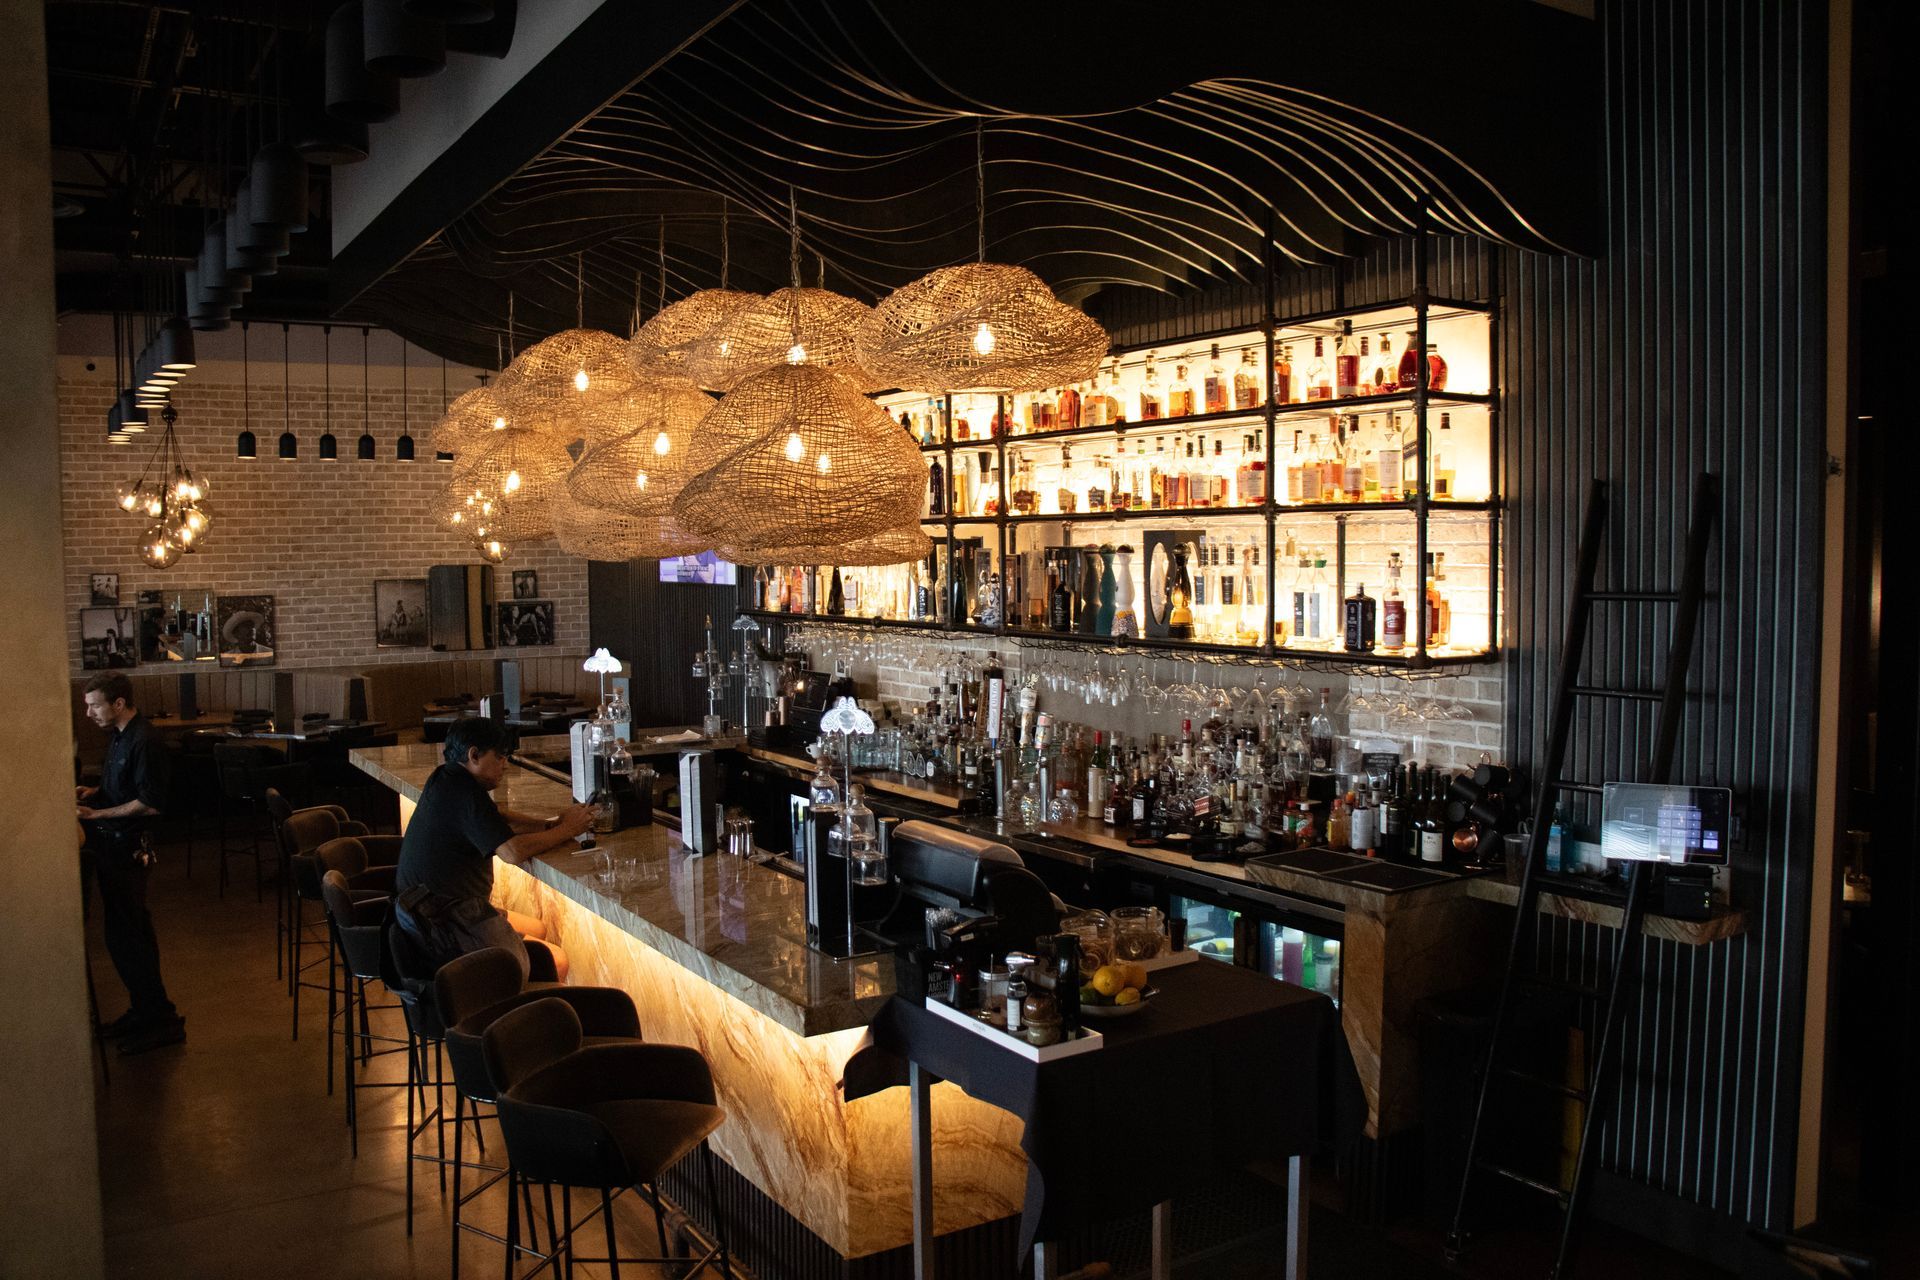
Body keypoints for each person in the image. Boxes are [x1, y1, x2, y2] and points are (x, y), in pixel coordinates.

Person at [395, 717, 590, 981]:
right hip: (442, 924)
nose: (505, 765)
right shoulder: (463, 790)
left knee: (537, 928)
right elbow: (511, 852)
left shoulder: (447, 777)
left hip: (422, 912)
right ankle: (514, 1011)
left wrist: (549, 825)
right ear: (474, 755)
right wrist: (566, 830)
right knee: (556, 960)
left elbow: (496, 818)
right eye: (499, 757)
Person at [76, 672, 186, 1055]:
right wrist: (95, 793)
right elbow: (123, 787)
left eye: (94, 705)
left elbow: (150, 801)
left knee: (129, 938)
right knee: (126, 936)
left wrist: (95, 814)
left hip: (128, 849)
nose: (88, 713)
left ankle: (161, 1019)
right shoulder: (121, 736)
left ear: (118, 704)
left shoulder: (145, 740)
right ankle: (146, 1010)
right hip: (113, 847)